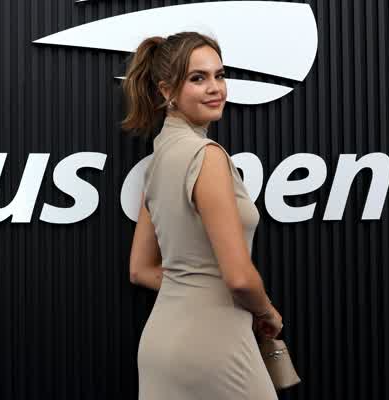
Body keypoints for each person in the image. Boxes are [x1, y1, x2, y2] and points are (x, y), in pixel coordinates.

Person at [123, 31, 283, 399]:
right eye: (198, 78)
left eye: (219, 75)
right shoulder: (207, 156)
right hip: (214, 345)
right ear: (167, 91)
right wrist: (267, 313)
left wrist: (194, 288)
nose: (215, 88)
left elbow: (140, 269)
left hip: (161, 345)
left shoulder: (158, 159)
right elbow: (239, 278)